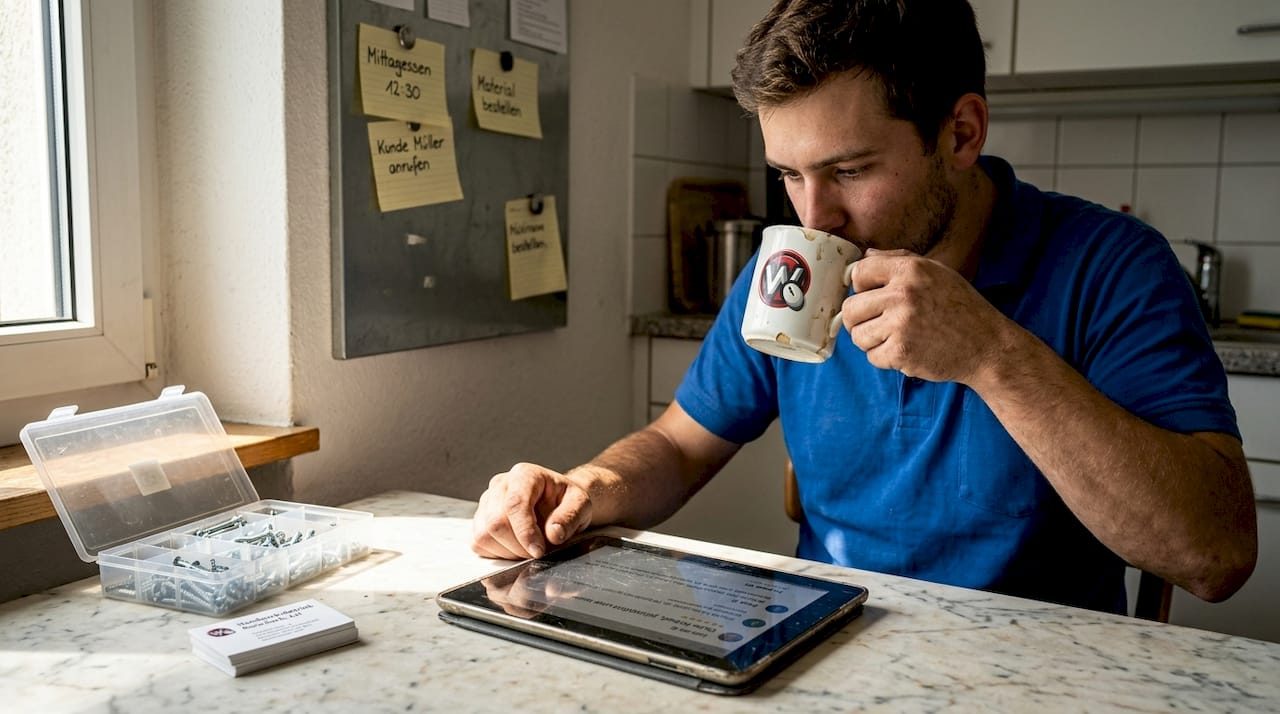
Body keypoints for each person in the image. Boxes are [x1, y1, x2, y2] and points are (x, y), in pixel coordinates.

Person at [470, 0, 1257, 614]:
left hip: (1034, 664)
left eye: (848, 170)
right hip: (829, 637)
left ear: (961, 133)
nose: (815, 217)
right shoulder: (791, 269)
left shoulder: (1112, 266)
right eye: (789, 174)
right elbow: (679, 446)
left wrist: (991, 354)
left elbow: (1216, 557)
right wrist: (587, 489)